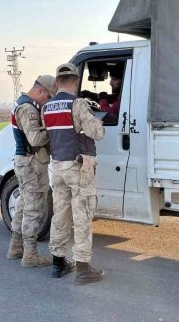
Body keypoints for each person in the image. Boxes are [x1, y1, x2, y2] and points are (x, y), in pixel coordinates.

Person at [43, 63, 106, 284]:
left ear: (57, 83)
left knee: (60, 215)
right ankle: (82, 267)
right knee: (82, 217)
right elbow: (97, 133)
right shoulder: (77, 104)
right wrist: (98, 122)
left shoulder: (47, 107)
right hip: (78, 168)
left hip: (57, 166)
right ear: (76, 81)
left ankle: (58, 264)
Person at [7, 75, 59, 268]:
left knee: (23, 205)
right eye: (48, 96)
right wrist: (54, 128)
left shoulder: (23, 103)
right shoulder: (28, 108)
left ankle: (16, 248)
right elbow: (36, 139)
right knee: (33, 208)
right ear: (40, 91)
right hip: (31, 162)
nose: (48, 101)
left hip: (25, 162)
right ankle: (30, 255)